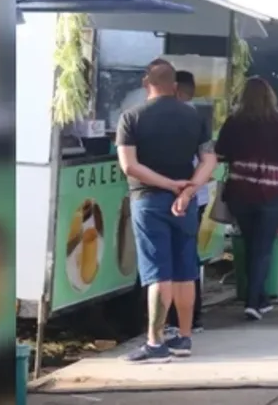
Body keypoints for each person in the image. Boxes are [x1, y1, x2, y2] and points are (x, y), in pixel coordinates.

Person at [116, 59, 216, 363]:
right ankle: (184, 339)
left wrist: (169, 184)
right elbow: (209, 160)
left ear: (147, 83)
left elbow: (129, 165)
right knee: (186, 269)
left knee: (157, 271)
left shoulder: (130, 118)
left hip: (148, 201)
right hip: (184, 204)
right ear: (174, 86)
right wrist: (188, 190)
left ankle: (155, 342)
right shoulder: (194, 117)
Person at [215, 77, 278, 321]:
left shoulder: (234, 121)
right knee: (263, 248)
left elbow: (220, 152)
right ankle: (253, 301)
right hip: (270, 193)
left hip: (240, 192)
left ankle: (260, 298)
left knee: (250, 243)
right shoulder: (277, 120)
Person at [164, 71, 209, 335]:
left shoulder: (182, 119)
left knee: (180, 257)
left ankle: (181, 320)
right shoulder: (197, 118)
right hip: (195, 196)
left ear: (177, 91)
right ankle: (191, 317)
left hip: (184, 195)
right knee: (187, 256)